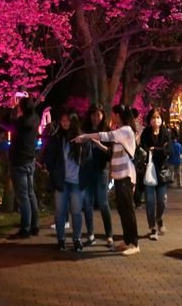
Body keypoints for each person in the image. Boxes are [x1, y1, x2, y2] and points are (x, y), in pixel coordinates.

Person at [74, 103, 141, 255]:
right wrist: (99, 145)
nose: (111, 117)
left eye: (113, 114)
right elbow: (112, 153)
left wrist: (85, 136)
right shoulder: (122, 131)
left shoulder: (126, 130)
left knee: (128, 210)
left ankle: (135, 244)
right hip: (119, 176)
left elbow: (105, 135)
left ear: (118, 115)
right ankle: (127, 240)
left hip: (126, 176)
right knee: (123, 211)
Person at [42, 108, 86, 252]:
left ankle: (77, 239)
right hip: (62, 180)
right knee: (60, 211)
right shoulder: (57, 138)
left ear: (74, 121)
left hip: (77, 181)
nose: (65, 123)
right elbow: (49, 158)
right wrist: (54, 173)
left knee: (76, 212)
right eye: (63, 120)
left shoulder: (81, 139)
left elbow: (87, 158)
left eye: (68, 120)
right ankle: (61, 239)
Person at [79, 104, 113, 248]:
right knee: (87, 203)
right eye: (93, 115)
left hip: (101, 170)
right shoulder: (85, 130)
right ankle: (91, 234)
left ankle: (109, 236)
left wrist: (100, 145)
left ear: (103, 115)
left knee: (103, 203)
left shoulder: (107, 132)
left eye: (98, 115)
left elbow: (111, 153)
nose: (95, 118)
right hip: (87, 170)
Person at [7, 96, 41, 240]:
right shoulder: (35, 119)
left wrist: (12, 108)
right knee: (30, 193)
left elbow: (5, 122)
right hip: (30, 160)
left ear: (21, 108)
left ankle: (25, 228)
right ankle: (35, 225)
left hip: (19, 161)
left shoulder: (20, 123)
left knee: (23, 196)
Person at [139, 107, 171, 240]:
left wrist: (155, 150)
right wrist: (158, 150)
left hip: (162, 171)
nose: (156, 120)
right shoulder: (146, 133)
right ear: (149, 120)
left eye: (158, 117)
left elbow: (167, 151)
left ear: (162, 119)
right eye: (153, 117)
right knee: (150, 201)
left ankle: (159, 219)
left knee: (161, 200)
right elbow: (143, 149)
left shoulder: (166, 132)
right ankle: (152, 227)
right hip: (149, 171)